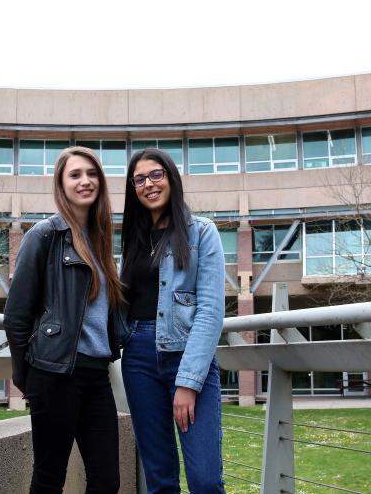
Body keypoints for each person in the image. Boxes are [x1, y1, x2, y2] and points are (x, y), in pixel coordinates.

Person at [4, 146, 124, 494]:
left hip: (96, 375)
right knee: (49, 477)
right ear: (61, 184)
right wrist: (26, 375)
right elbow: (16, 315)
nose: (85, 181)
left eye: (92, 174)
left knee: (106, 481)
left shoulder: (101, 242)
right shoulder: (44, 235)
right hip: (54, 374)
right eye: (75, 174)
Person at [120, 148, 226, 493]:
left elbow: (211, 311)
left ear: (171, 178)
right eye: (139, 179)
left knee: (205, 480)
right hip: (138, 359)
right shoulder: (133, 238)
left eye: (156, 175)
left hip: (187, 355)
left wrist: (188, 382)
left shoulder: (202, 233)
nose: (148, 184)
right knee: (160, 478)